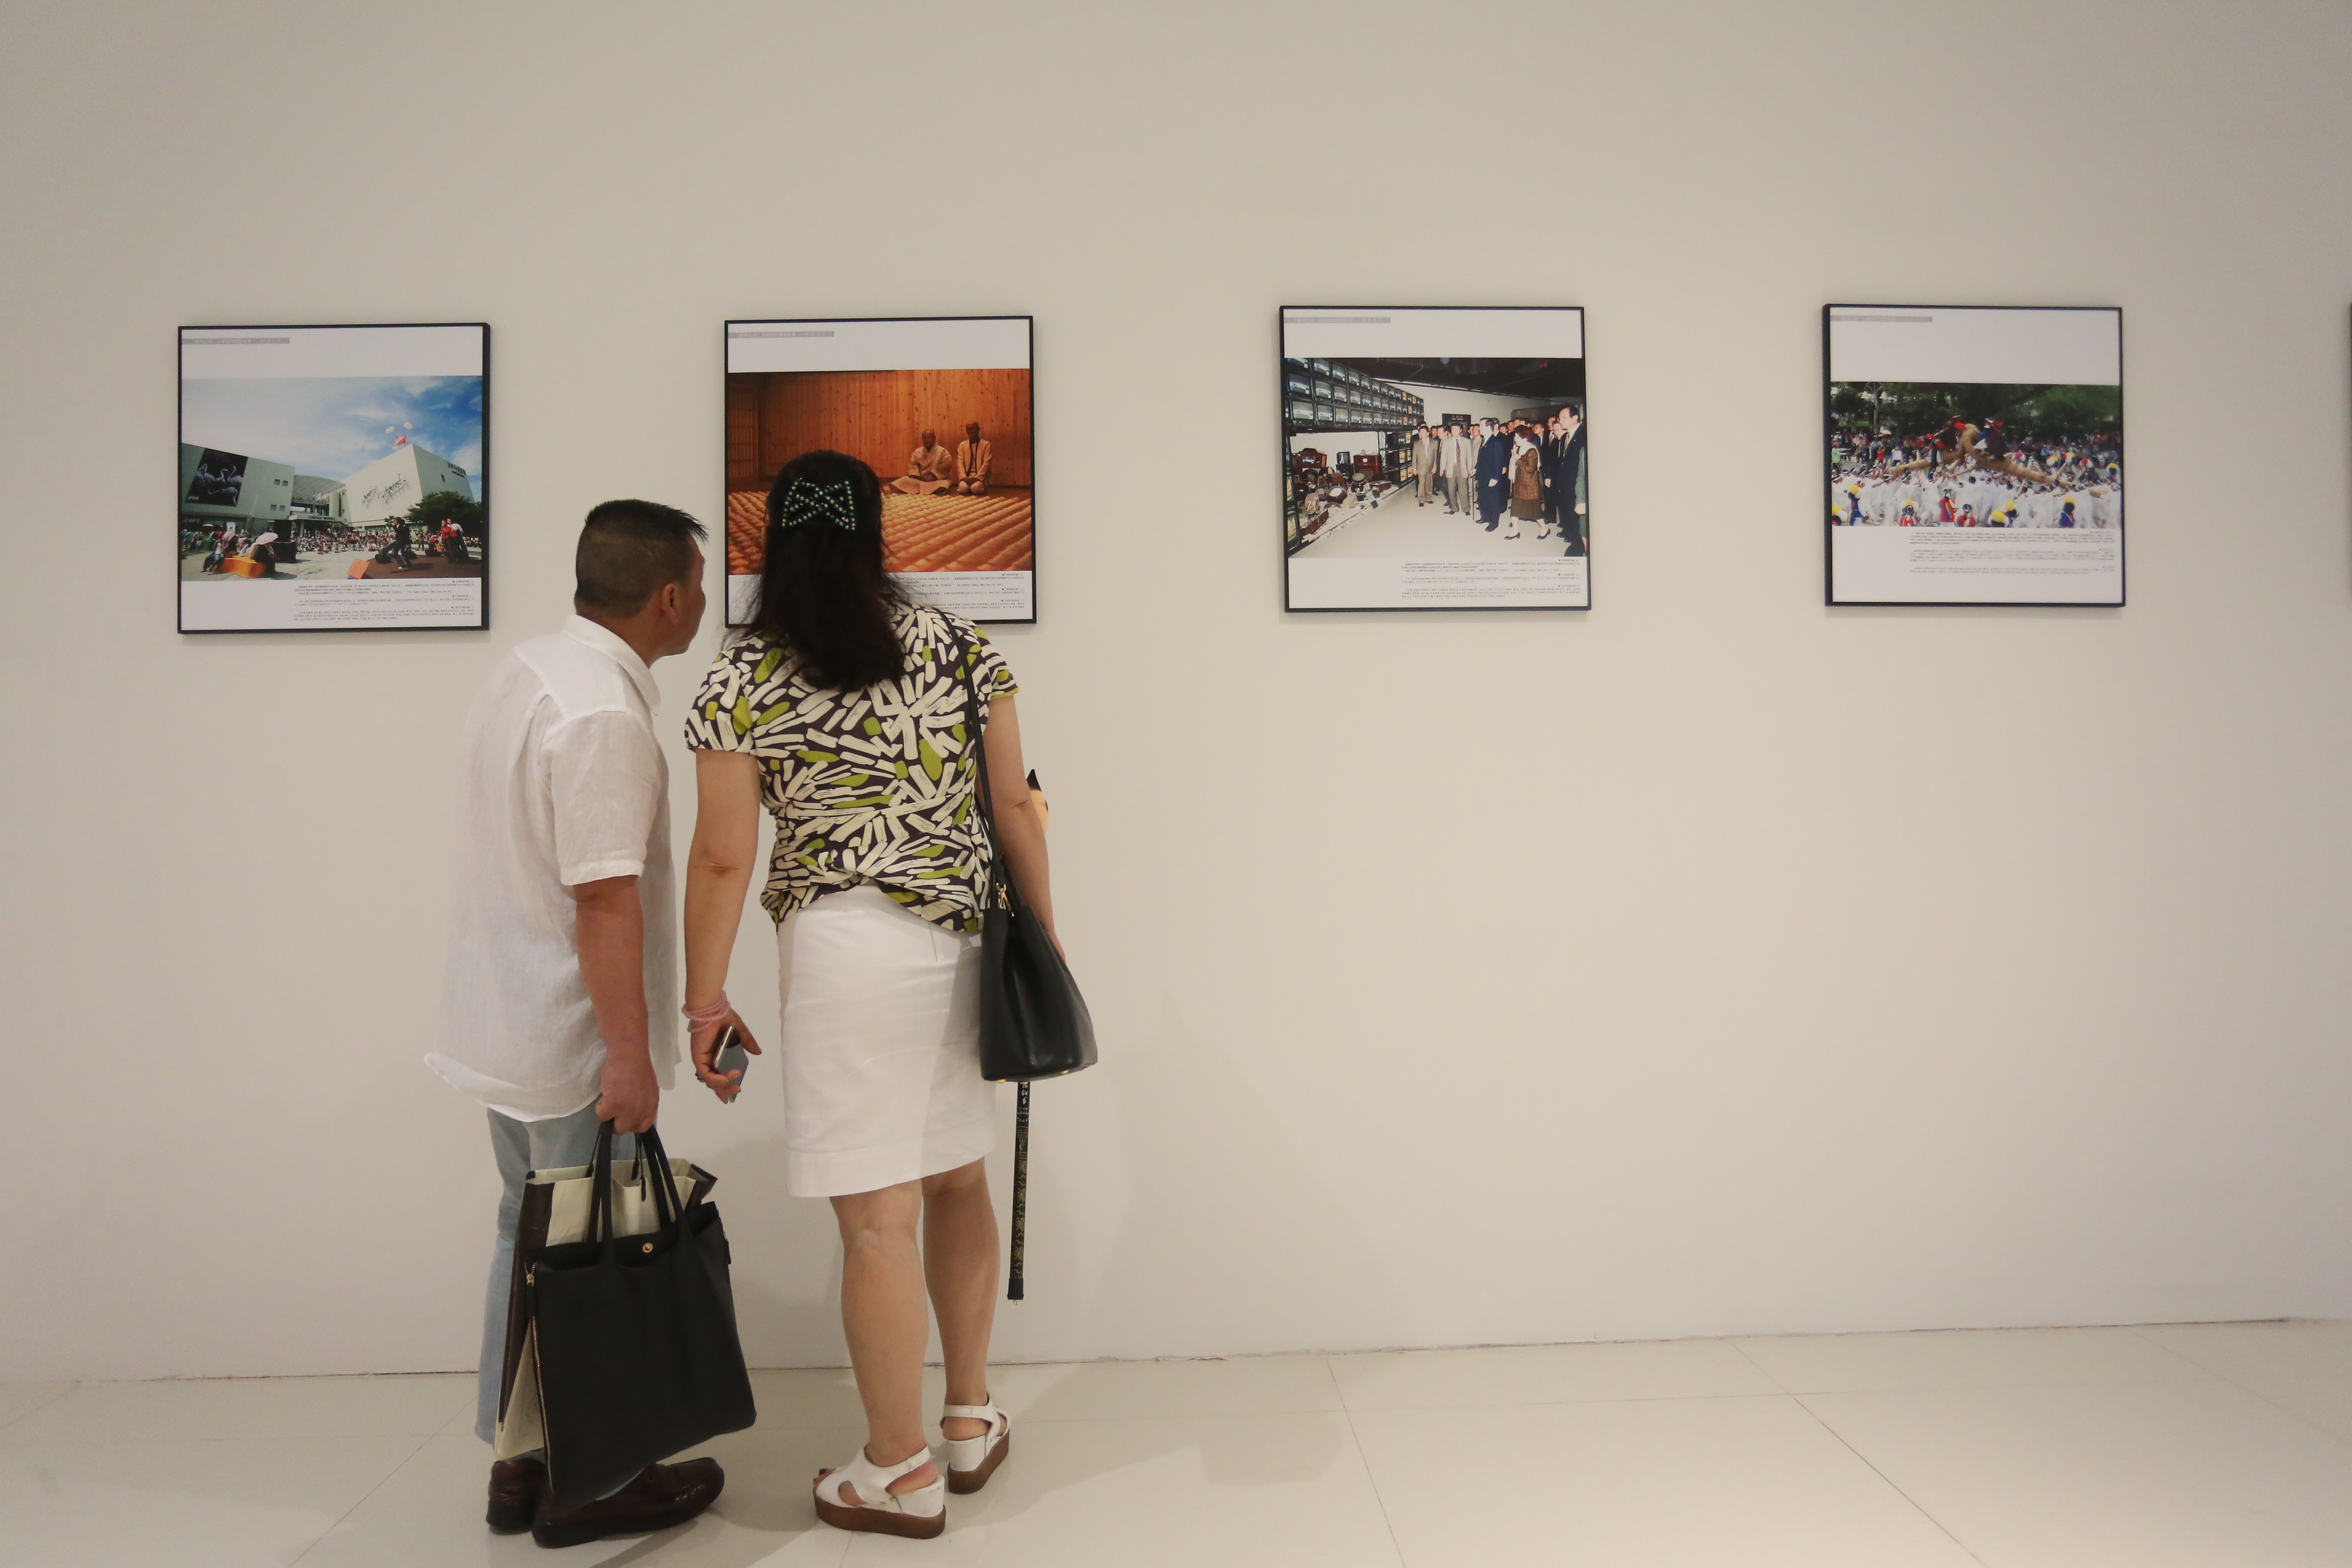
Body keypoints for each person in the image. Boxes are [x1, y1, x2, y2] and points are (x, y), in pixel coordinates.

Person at [681, 450, 1049, 1540]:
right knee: (957, 1177)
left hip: (843, 949)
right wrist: (1048, 942)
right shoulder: (961, 648)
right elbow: (1017, 808)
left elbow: (718, 860)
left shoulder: (739, 676)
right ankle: (970, 1419)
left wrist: (706, 1001)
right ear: (881, 534)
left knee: (877, 1222)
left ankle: (896, 1470)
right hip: (958, 942)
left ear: (772, 544)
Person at [427, 499, 727, 1548]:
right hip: (568, 1035)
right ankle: (593, 1482)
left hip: (504, 1019)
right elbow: (604, 897)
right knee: (590, 1263)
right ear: (671, 595)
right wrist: (630, 1055)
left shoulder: (528, 669)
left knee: (534, 1246)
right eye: (699, 579)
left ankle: (522, 1465)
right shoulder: (603, 713)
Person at [1546, 405, 1588, 557]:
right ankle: (1575, 543)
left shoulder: (1585, 436)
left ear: (1575, 418)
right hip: (1564, 485)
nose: (1560, 421)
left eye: (1564, 418)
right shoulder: (1564, 437)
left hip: (1577, 485)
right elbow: (1561, 462)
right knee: (1568, 517)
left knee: (1579, 521)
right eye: (1559, 418)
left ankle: (1579, 548)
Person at [886, 430, 956, 496]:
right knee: (902, 482)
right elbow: (912, 465)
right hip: (920, 481)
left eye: (929, 438)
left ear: (934, 438)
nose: (927, 440)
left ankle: (920, 489)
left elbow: (946, 466)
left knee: (944, 485)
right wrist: (916, 475)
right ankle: (924, 489)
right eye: (924, 438)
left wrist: (935, 474)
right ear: (922, 439)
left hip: (936, 482)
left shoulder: (943, 452)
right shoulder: (918, 452)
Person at [1505, 428, 1543, 540]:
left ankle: (1545, 529)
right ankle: (1515, 531)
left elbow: (1531, 469)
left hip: (1530, 486)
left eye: (1517, 437)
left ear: (1524, 438)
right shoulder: (1519, 449)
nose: (1515, 439)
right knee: (1515, 510)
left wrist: (1518, 461)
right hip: (1519, 484)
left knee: (1536, 513)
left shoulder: (1532, 451)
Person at [1473, 419, 1510, 531]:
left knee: (1493, 501)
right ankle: (1485, 517)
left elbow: (1498, 462)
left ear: (1489, 427)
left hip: (1491, 477)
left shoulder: (1496, 442)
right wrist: (1475, 469)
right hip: (1483, 476)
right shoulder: (1484, 441)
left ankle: (1494, 523)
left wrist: (1496, 478)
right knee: (1483, 499)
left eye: (1481, 426)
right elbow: (1481, 460)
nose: (1479, 428)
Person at [953, 423, 991, 496]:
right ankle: (969, 487)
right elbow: (960, 463)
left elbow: (987, 463)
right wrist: (964, 477)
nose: (970, 431)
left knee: (976, 488)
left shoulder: (986, 445)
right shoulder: (963, 445)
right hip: (967, 478)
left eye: (972, 429)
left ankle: (982, 486)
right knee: (963, 489)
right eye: (968, 429)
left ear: (978, 430)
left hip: (979, 478)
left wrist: (978, 478)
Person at [1412, 425, 1437, 506]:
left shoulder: (1435, 443)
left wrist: (1435, 466)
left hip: (1430, 466)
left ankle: (1429, 498)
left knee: (1429, 484)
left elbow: (1436, 456)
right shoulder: (1416, 443)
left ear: (1428, 433)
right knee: (1421, 484)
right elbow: (1414, 456)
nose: (1421, 434)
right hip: (1421, 467)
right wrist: (1414, 468)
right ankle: (1421, 500)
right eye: (1420, 433)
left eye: (1423, 432)